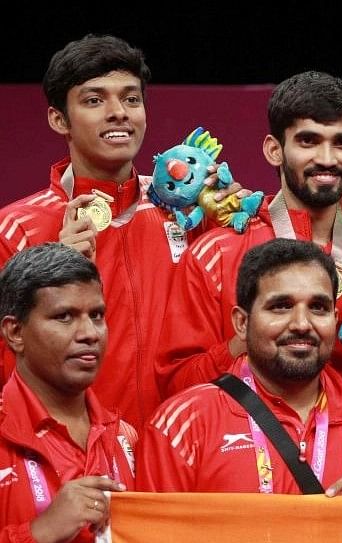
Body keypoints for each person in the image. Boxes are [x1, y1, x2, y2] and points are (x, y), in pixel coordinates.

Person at [0, 35, 230, 430]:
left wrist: (235, 215)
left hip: (183, 447)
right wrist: (50, 278)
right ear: (59, 119)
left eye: (131, 99)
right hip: (78, 455)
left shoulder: (191, 213)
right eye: (94, 100)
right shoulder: (16, 230)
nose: (118, 113)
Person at [155, 71, 342, 398]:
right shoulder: (216, 253)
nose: (327, 159)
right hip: (248, 443)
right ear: (274, 150)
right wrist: (250, 338)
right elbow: (177, 384)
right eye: (308, 141)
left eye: (341, 142)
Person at [138, 239, 342, 495]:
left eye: (318, 307)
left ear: (336, 320)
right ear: (241, 323)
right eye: (281, 307)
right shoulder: (182, 424)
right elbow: (154, 534)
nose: (302, 324)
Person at [0, 244, 134, 543]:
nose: (90, 332)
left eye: (97, 315)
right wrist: (35, 536)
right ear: (14, 332)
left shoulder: (125, 438)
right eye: (64, 317)